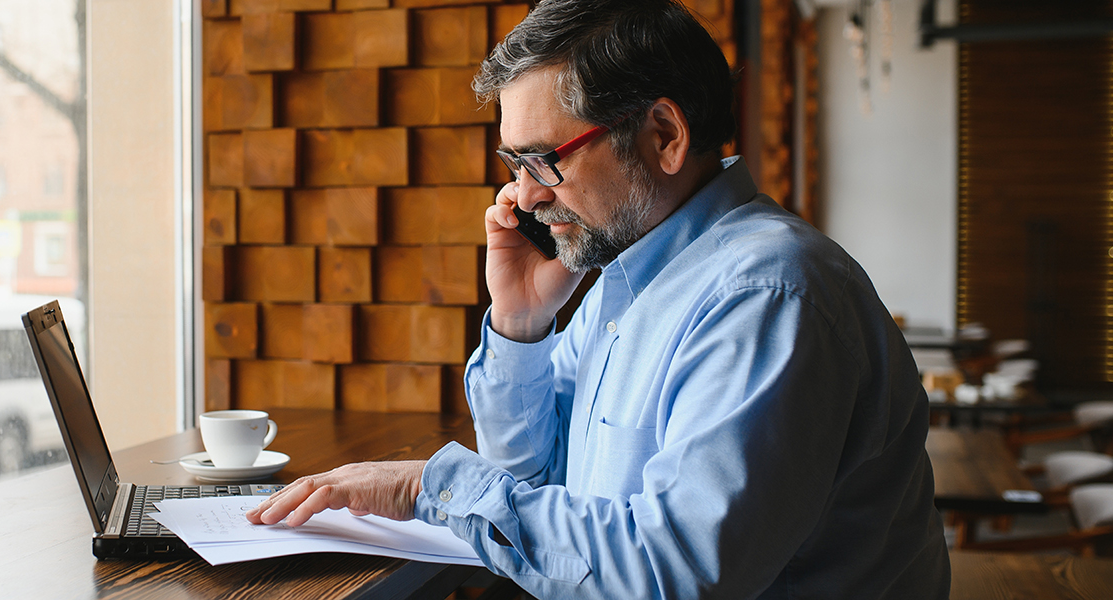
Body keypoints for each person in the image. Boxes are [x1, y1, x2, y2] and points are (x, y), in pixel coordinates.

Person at [247, 0, 951, 597]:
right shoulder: (630, 274)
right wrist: (522, 324)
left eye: (543, 159)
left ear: (665, 136)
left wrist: (426, 487)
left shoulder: (766, 295)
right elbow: (534, 477)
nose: (522, 195)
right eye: (513, 164)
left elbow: (672, 573)